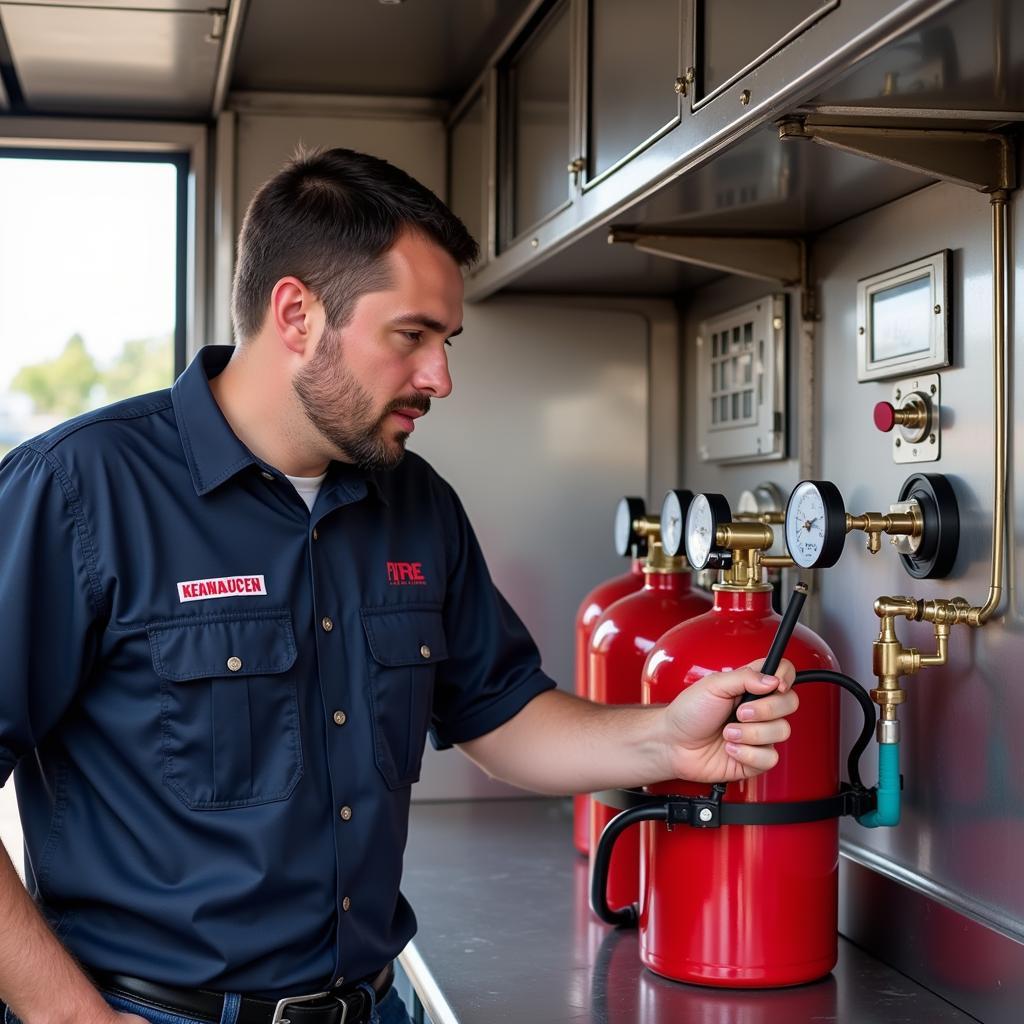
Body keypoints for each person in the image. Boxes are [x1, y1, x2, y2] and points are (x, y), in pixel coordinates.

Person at [0, 147, 799, 1024]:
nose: (440, 378)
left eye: (446, 343)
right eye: (411, 336)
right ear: (298, 313)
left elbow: (497, 713)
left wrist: (665, 741)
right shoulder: (78, 490)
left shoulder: (417, 504)